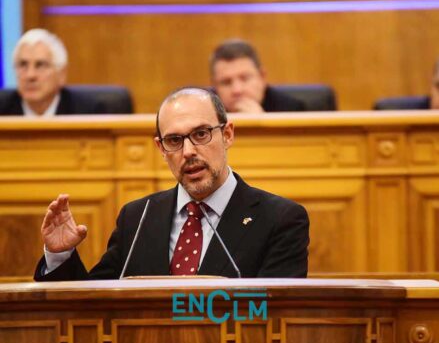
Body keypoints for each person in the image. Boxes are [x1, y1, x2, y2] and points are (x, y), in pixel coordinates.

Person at [34, 88, 309, 281]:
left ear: (227, 134)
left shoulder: (280, 219)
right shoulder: (138, 217)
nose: (188, 151)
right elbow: (94, 309)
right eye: (174, 141)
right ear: (161, 148)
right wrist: (60, 256)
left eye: (201, 134)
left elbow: (274, 314)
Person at [0, 28, 104, 116]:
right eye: (23, 65)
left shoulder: (87, 113)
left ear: (61, 74)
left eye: (40, 65)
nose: (30, 75)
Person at [209, 39, 305, 113]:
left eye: (245, 78)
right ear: (215, 85)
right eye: (226, 82)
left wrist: (262, 124)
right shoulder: (204, 110)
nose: (237, 90)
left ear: (262, 77)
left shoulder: (292, 110)